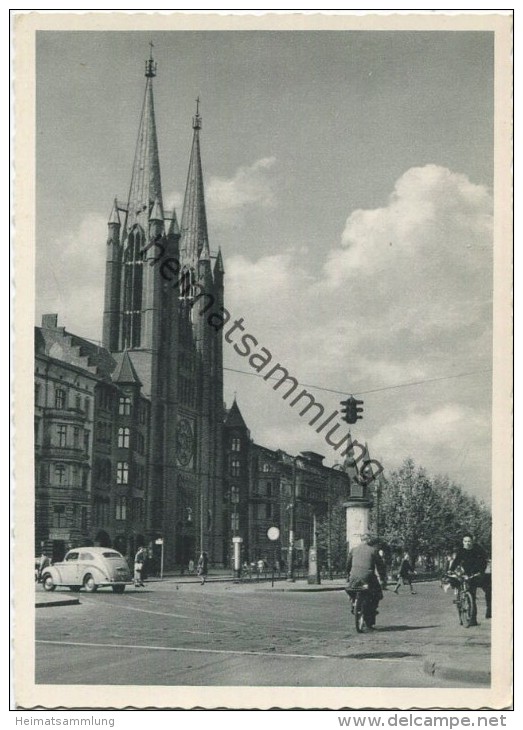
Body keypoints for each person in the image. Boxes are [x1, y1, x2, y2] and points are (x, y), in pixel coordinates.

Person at [346, 533, 387, 628]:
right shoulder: (373, 550)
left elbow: (348, 564)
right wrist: (383, 578)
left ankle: (353, 603)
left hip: (354, 577)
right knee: (377, 594)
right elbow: (380, 566)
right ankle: (371, 617)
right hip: (368, 578)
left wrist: (348, 574)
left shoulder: (353, 550)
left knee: (352, 590)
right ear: (369, 541)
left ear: (361, 540)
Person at [449, 533, 491, 623]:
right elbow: (457, 561)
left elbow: (483, 561)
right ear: (463, 542)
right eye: (465, 541)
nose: (467, 543)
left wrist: (481, 571)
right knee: (469, 593)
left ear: (472, 542)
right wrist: (451, 570)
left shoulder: (478, 549)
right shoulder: (461, 550)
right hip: (467, 574)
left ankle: (486, 612)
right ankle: (468, 618)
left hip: (478, 573)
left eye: (469, 541)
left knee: (487, 590)